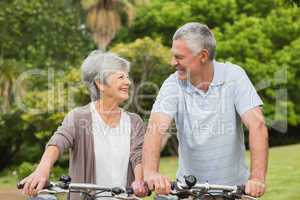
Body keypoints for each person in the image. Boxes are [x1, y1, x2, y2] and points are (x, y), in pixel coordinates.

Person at [142, 22, 269, 198]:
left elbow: (257, 125)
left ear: (202, 56)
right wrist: (150, 172)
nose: (173, 62)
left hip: (234, 191)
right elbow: (156, 128)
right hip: (190, 190)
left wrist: (257, 178)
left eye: (179, 57)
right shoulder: (173, 84)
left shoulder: (233, 76)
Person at [20, 51, 148, 199]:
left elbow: (137, 156)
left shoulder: (134, 121)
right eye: (121, 77)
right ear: (100, 83)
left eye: (127, 76)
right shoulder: (79, 117)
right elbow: (57, 142)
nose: (128, 82)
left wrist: (139, 183)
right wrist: (42, 170)